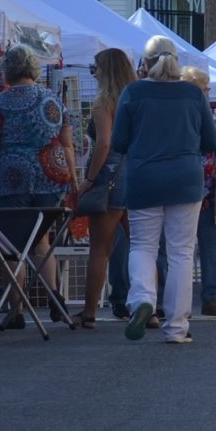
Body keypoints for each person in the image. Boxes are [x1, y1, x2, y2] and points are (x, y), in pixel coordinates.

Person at [115, 36, 216, 345]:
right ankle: (176, 327)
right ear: (176, 61)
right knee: (182, 253)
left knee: (143, 246)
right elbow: (211, 142)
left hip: (144, 177)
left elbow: (119, 142)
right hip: (186, 178)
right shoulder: (192, 94)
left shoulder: (133, 92)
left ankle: (143, 299)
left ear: (144, 64)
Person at [73, 46, 136, 330]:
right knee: (144, 246)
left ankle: (89, 312)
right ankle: (152, 305)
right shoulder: (135, 98)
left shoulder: (103, 103)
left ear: (105, 70)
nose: (93, 72)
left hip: (110, 176)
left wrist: (89, 178)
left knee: (99, 250)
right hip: (137, 174)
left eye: (95, 67)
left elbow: (104, 143)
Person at [0, 46, 75, 207]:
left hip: (10, 181)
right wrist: (74, 180)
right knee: (41, 228)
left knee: (14, 230)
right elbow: (67, 145)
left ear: (7, 69)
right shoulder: (54, 100)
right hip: (52, 179)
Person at [185, 66, 216, 321]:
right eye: (204, 87)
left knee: (212, 245)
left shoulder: (215, 115)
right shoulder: (184, 114)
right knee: (182, 247)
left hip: (212, 189)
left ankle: (211, 297)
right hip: (188, 187)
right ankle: (179, 300)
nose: (209, 91)